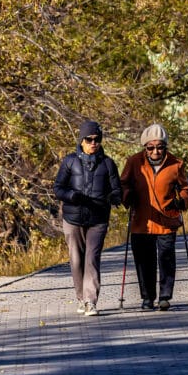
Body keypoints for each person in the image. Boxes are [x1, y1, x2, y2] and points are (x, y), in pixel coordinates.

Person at [54, 120, 122, 316]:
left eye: (97, 139)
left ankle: (90, 302)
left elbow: (117, 189)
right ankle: (80, 297)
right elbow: (58, 188)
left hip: (98, 219)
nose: (94, 143)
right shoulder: (70, 161)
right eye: (89, 139)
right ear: (81, 140)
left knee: (92, 259)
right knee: (76, 260)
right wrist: (71, 196)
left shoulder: (108, 164)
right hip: (73, 218)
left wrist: (114, 197)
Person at [120, 124, 188, 311]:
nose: (155, 151)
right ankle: (147, 297)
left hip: (167, 220)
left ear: (165, 146)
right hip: (141, 221)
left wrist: (181, 201)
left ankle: (165, 296)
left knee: (166, 258)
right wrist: (128, 195)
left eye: (159, 147)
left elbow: (185, 187)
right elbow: (123, 184)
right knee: (144, 261)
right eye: (150, 147)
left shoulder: (176, 163)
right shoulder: (134, 162)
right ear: (145, 147)